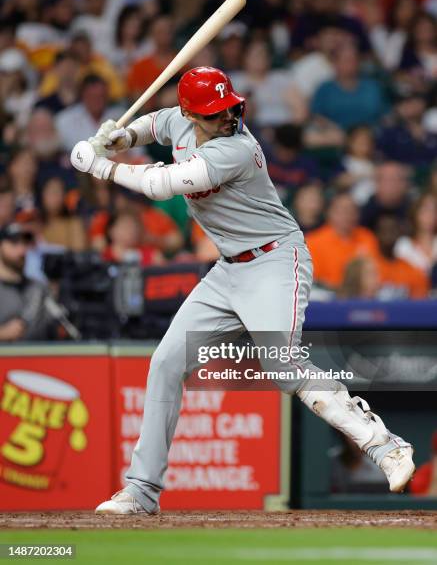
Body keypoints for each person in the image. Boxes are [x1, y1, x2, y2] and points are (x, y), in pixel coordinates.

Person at [70, 66, 415, 514]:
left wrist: (100, 164)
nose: (228, 116)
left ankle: (386, 447)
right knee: (166, 362)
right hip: (228, 269)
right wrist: (124, 136)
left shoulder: (236, 148)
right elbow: (155, 123)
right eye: (216, 112)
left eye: (232, 107)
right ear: (192, 113)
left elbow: (160, 185)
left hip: (275, 260)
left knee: (282, 366)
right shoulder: (181, 119)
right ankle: (141, 490)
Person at [305, 193, 379, 290]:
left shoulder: (367, 237)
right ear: (329, 213)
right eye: (343, 210)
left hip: (362, 296)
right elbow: (314, 281)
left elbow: (375, 272)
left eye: (352, 211)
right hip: (328, 296)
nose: (348, 215)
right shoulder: (313, 241)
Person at [0, 222, 54, 340]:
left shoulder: (39, 287)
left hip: (37, 356)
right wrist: (2, 333)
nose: (22, 249)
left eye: (25, 243)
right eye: (14, 243)